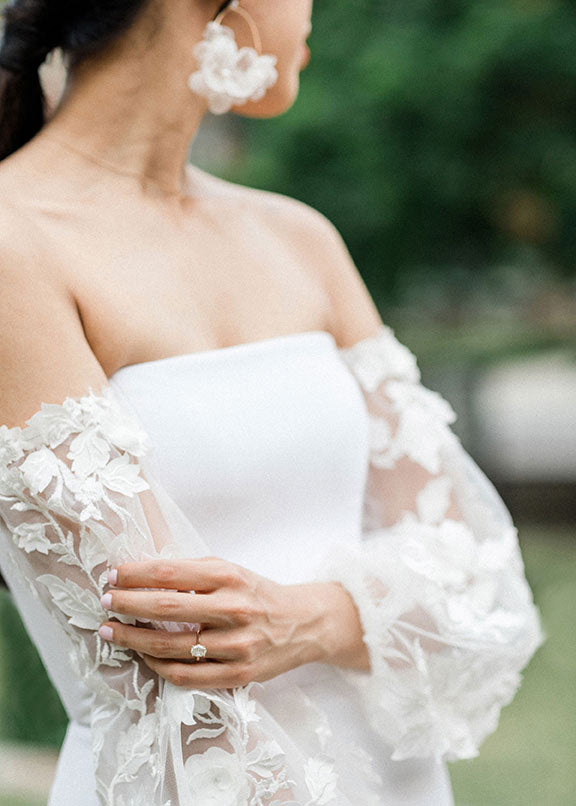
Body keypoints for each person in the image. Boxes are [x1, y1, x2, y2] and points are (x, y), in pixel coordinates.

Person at [0, 1, 545, 804]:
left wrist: (319, 617)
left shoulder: (301, 238)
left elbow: (476, 569)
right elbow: (173, 657)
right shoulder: (14, 246)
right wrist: (376, 610)